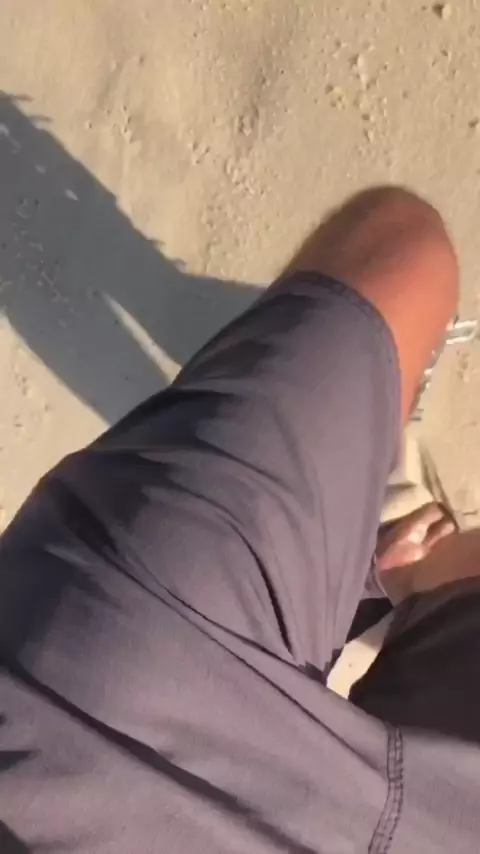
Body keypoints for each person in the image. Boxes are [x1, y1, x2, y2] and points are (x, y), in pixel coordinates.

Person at [1, 185, 478, 853]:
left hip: (104, 678)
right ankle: (387, 546)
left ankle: (385, 531)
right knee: (400, 252)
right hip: (93, 691)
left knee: (404, 253)